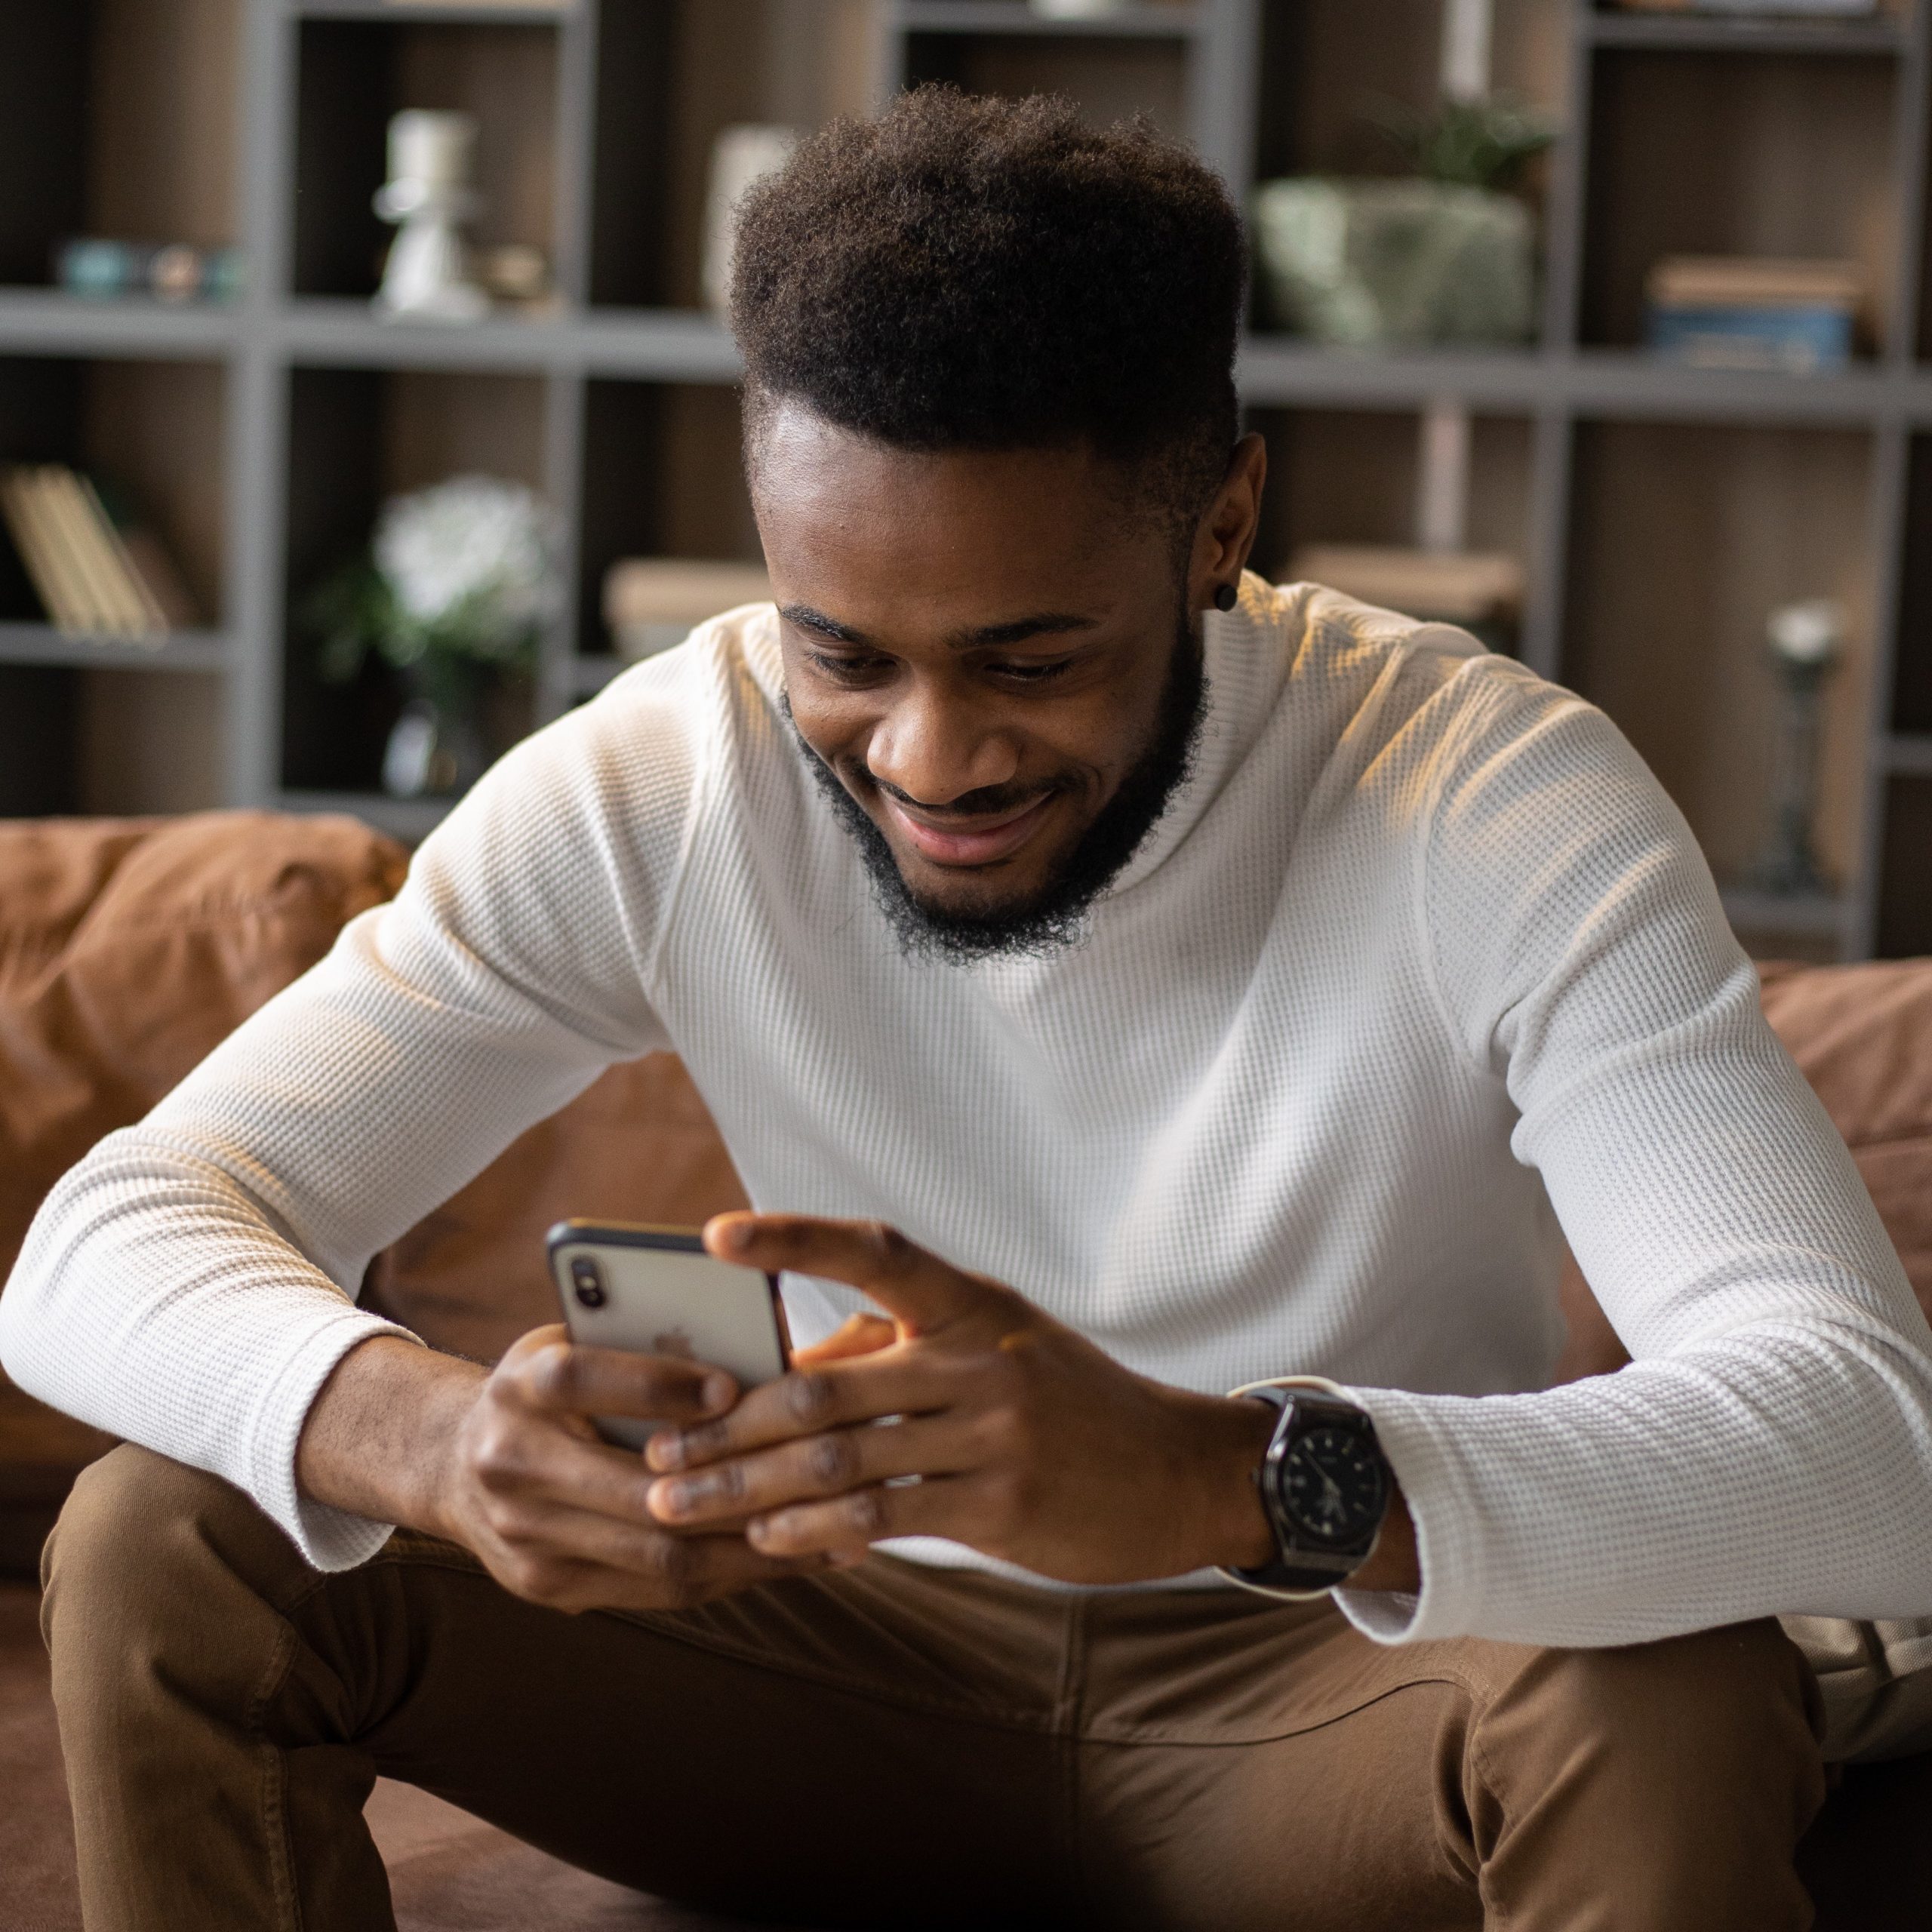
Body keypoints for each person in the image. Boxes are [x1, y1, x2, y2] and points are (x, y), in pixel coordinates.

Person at [5, 88, 1930, 1932]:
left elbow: (1874, 1447)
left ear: (1217, 524)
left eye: (1032, 655)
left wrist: (1215, 1473)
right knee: (169, 1536)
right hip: (832, 1668)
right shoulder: (666, 777)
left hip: (1319, 1680)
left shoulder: (1488, 797)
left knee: (1661, 1688)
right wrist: (414, 1434)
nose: (929, 754)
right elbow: (100, 1240)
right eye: (839, 648)